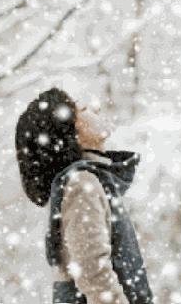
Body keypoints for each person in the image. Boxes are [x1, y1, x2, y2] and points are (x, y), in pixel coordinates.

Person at [15, 87, 154, 304]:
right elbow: (92, 272)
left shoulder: (86, 182)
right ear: (72, 133)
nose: (95, 108)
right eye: (83, 109)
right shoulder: (81, 184)